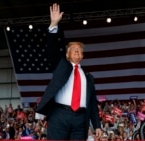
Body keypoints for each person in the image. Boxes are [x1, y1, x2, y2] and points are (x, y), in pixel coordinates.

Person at [35, 3, 102, 140]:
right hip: (59, 115)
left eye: (80, 51)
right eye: (74, 50)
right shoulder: (62, 66)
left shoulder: (88, 77)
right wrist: (53, 24)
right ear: (67, 55)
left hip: (81, 119)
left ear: (82, 56)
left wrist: (97, 126)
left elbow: (93, 105)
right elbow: (52, 49)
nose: (78, 52)